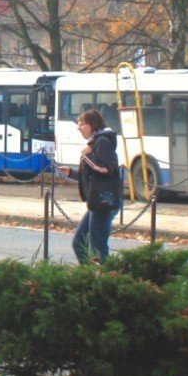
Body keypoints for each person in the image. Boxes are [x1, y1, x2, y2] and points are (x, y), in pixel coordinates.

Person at [72, 107, 122, 264]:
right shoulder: (96, 143)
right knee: (79, 241)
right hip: (97, 201)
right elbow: (92, 175)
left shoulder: (102, 142)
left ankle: (102, 279)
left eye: (81, 124)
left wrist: (86, 155)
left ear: (92, 124)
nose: (78, 128)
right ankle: (88, 277)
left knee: (97, 248)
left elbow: (105, 169)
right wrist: (70, 173)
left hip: (104, 201)